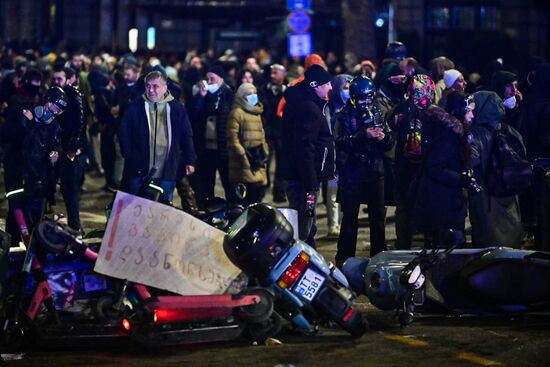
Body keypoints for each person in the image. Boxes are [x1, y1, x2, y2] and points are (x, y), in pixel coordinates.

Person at [333, 76, 394, 265]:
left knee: (377, 217)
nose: (366, 102)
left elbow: (389, 143)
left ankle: (379, 256)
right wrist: (363, 135)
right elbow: (341, 142)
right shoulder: (344, 115)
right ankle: (345, 258)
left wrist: (382, 138)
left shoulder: (378, 112)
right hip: (353, 172)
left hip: (375, 172)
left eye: (369, 97)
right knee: (350, 218)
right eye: (362, 98)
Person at [119, 70, 196, 203]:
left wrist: (190, 160)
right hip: (139, 170)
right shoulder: (135, 108)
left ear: (165, 88)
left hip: (167, 171)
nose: (151, 90)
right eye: (148, 86)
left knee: (163, 210)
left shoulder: (177, 108)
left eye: (155, 86)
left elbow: (186, 135)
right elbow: (124, 133)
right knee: (136, 209)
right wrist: (130, 156)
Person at [2, 87, 65, 245]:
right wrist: (29, 123)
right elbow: (12, 139)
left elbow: (56, 144)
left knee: (36, 218)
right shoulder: (23, 114)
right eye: (54, 107)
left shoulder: (54, 125)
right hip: (18, 175)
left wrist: (55, 153)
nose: (55, 112)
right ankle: (13, 248)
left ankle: (35, 253)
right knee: (16, 215)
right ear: (46, 101)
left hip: (39, 177)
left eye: (59, 110)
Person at [281, 64, 335, 248]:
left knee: (306, 224)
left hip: (299, 175)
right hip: (303, 179)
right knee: (304, 227)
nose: (330, 87)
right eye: (327, 84)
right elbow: (305, 148)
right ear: (315, 85)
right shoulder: (308, 108)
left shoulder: (302, 103)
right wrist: (311, 181)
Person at [412, 90, 475, 248]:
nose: (472, 115)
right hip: (442, 204)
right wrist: (461, 179)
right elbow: (435, 167)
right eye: (468, 111)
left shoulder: (454, 133)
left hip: (447, 202)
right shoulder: (448, 135)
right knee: (449, 250)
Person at [468, 90, 524, 247]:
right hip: (511, 192)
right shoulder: (511, 131)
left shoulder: (475, 135)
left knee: (489, 241)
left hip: (486, 196)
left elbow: (470, 161)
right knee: (511, 237)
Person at [388, 74, 436, 249]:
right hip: (421, 167)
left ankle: (404, 245)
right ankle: (427, 244)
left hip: (408, 167)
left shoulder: (401, 109)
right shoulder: (433, 111)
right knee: (424, 207)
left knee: (405, 209)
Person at [189, 63, 235, 208]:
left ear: (221, 79)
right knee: (206, 182)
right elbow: (193, 114)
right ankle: (208, 208)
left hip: (223, 147)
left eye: (212, 79)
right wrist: (200, 97)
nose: (209, 82)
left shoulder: (229, 95)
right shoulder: (205, 95)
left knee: (228, 182)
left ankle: (232, 209)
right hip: (206, 148)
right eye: (207, 79)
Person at [52, 66, 88, 234]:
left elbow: (80, 123)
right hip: (57, 147)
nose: (56, 82)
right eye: (55, 78)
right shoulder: (55, 93)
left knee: (70, 188)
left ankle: (75, 225)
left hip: (69, 149)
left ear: (68, 79)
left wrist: (73, 148)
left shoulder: (74, 96)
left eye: (59, 78)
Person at [226, 83, 269, 205]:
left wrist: (264, 151)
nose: (253, 96)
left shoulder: (256, 112)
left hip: (257, 160)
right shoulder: (237, 113)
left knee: (258, 195)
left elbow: (261, 134)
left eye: (254, 93)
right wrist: (242, 155)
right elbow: (232, 137)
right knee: (247, 197)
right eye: (249, 94)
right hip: (243, 162)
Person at [261, 64, 287, 203]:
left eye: (275, 73)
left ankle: (279, 192)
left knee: (282, 164)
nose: (272, 75)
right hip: (268, 132)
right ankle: (264, 188)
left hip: (282, 132)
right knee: (265, 162)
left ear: (283, 74)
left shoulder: (288, 91)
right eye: (271, 72)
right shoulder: (264, 90)